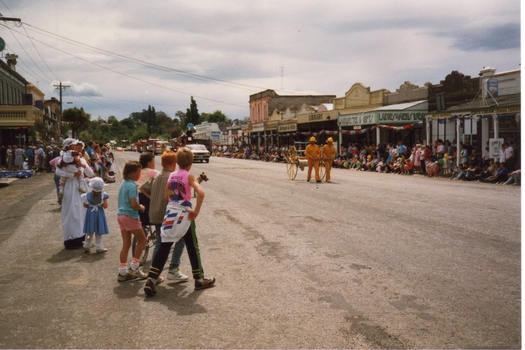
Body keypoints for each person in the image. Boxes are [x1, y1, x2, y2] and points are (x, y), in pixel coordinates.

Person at [144, 147, 215, 296]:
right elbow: (200, 193)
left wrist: (175, 197)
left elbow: (166, 195)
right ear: (191, 162)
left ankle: (151, 278)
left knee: (164, 245)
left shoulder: (171, 176)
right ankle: (199, 279)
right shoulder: (189, 176)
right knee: (192, 247)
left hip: (171, 213)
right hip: (184, 214)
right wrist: (196, 211)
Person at [140, 150, 188, 282]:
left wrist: (153, 198)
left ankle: (155, 272)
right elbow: (176, 196)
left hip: (154, 212)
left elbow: (143, 187)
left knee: (159, 243)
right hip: (166, 214)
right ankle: (173, 268)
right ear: (175, 164)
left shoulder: (156, 176)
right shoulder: (171, 177)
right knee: (180, 239)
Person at [55, 139, 94, 250]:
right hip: (70, 186)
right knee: (71, 212)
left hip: (80, 187)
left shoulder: (80, 158)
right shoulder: (63, 158)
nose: (77, 148)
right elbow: (58, 172)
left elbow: (90, 173)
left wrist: (83, 165)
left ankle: (81, 236)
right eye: (75, 146)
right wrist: (72, 174)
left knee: (82, 211)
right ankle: (71, 239)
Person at [117, 160, 149, 282]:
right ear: (132, 173)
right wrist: (141, 207)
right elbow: (134, 204)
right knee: (143, 240)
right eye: (138, 172)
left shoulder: (123, 184)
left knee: (126, 244)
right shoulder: (132, 186)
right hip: (130, 216)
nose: (140, 175)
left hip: (121, 216)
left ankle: (122, 271)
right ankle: (135, 267)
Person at [81, 177, 109, 253]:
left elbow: (85, 205)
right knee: (98, 231)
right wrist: (100, 205)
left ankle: (87, 245)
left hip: (90, 213)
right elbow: (105, 206)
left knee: (89, 230)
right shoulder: (103, 195)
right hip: (99, 213)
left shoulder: (87, 195)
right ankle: (99, 247)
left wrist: (91, 206)